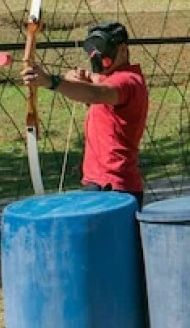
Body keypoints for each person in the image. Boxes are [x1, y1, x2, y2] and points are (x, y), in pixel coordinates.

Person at [21, 21, 149, 207]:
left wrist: (50, 81)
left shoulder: (128, 81)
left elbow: (97, 93)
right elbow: (94, 86)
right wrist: (83, 78)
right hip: (99, 184)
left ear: (122, 51)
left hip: (114, 187)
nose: (97, 58)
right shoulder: (109, 79)